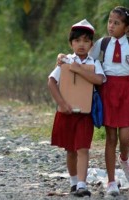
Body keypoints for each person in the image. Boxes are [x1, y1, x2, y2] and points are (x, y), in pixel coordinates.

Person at [87, 6, 129, 196]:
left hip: (127, 92)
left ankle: (124, 159)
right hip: (107, 91)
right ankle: (111, 182)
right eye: (110, 21)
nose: (111, 26)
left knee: (125, 138)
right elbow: (86, 60)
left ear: (126, 28)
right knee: (111, 138)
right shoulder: (102, 43)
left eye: (116, 23)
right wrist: (66, 60)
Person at [48, 19, 105, 197]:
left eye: (86, 41)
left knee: (83, 148)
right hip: (66, 112)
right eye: (77, 41)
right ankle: (73, 182)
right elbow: (51, 82)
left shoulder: (94, 63)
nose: (81, 44)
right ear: (71, 43)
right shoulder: (64, 61)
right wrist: (62, 103)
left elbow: (100, 80)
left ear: (91, 44)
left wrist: (79, 69)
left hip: (85, 113)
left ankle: (82, 184)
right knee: (70, 150)